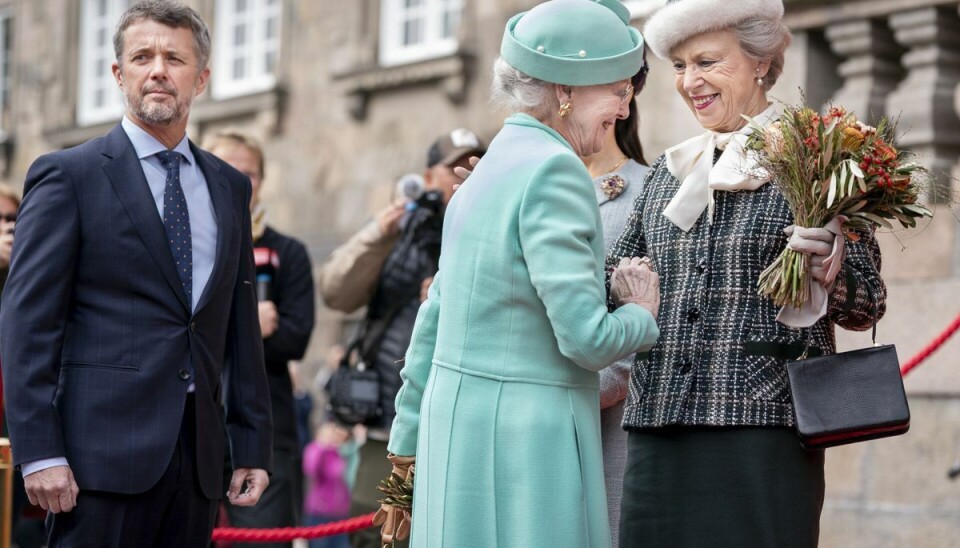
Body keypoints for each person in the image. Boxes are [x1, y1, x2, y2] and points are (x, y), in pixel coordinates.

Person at [376, 1, 661, 546]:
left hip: (456, 433)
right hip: (528, 448)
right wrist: (640, 314)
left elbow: (433, 319)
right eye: (619, 90)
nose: (624, 110)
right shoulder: (556, 170)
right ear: (565, 91)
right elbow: (586, 339)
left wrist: (407, 437)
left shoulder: (486, 171)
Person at [610, 1, 887, 546]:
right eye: (681, 66)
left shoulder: (819, 159)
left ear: (760, 62)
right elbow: (610, 274)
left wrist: (832, 272)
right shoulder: (672, 172)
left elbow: (868, 302)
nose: (691, 81)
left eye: (708, 62)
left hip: (764, 431)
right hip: (657, 427)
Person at [0, 2, 273, 546]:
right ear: (118, 75)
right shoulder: (68, 176)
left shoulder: (228, 187)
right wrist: (39, 452)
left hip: (196, 463)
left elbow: (238, 326)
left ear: (201, 78)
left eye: (174, 58)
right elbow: (27, 326)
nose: (158, 70)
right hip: (92, 465)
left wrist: (251, 444)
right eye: (142, 56)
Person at [318, 128, 485, 548]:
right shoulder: (399, 230)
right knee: (376, 533)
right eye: (453, 167)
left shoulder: (487, 225)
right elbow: (337, 291)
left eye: (474, 162)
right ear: (428, 177)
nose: (463, 173)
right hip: (388, 424)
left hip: (460, 418)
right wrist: (380, 230)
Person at [206, 131, 316, 548]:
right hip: (190, 425)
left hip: (264, 428)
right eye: (225, 168)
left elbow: (295, 338)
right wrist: (247, 323)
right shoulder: (185, 245)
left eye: (247, 172)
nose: (236, 179)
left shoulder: (288, 251)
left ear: (262, 181)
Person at [581, 58, 650, 548]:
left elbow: (639, 323)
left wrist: (560, 395)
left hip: (602, 423)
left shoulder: (648, 191)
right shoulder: (520, 181)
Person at [302, 422, 356, 548]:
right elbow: (311, 470)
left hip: (343, 516)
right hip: (319, 515)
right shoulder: (315, 449)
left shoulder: (343, 452)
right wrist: (322, 446)